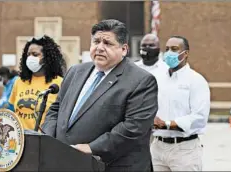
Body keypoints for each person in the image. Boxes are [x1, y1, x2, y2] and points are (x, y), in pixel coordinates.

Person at [42, 19, 158, 171]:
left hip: (111, 166)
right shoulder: (75, 72)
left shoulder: (141, 81)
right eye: (96, 41)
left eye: (108, 43)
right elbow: (56, 109)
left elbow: (133, 128)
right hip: (68, 162)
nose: (100, 48)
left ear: (124, 49)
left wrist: (91, 147)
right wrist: (50, 140)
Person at [150, 35, 210, 171]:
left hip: (184, 149)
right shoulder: (157, 79)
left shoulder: (196, 81)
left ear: (186, 53)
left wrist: (166, 124)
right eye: (167, 49)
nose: (169, 53)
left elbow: (199, 118)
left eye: (174, 49)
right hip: (158, 147)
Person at [9, 35, 66, 130]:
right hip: (20, 140)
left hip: (44, 141)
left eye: (35, 54)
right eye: (28, 55)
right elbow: (12, 111)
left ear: (47, 57)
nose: (30, 58)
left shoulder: (59, 83)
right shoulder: (19, 82)